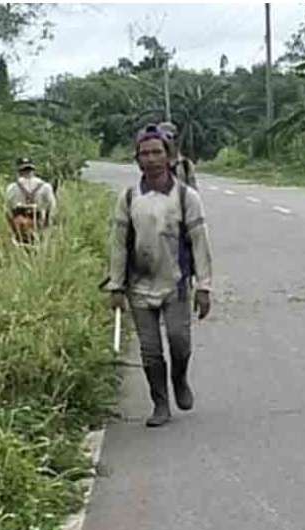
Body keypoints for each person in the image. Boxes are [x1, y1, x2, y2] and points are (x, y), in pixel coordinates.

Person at [103, 125, 213, 427]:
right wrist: (115, 285)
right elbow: (118, 244)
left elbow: (200, 242)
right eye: (145, 153)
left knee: (179, 341)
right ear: (137, 159)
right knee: (150, 350)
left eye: (157, 152)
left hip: (174, 283)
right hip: (139, 286)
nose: (151, 159)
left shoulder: (185, 196)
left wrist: (204, 286)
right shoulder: (128, 197)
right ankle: (160, 404)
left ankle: (179, 379)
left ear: (169, 156)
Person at [5, 157, 57, 245]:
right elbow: (52, 208)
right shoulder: (45, 187)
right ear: (33, 170)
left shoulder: (11, 188)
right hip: (38, 224)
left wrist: (12, 227)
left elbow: (8, 210)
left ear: (19, 171)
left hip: (18, 225)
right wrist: (47, 225)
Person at [158, 121, 198, 189]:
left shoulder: (185, 165)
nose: (165, 141)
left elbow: (193, 191)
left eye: (169, 138)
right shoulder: (152, 162)